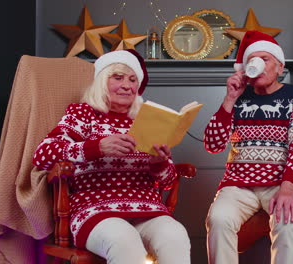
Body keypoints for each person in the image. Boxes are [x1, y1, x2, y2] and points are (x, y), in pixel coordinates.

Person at [33, 49, 191, 264]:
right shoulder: (83, 114)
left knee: (176, 235)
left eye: (133, 79)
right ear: (101, 81)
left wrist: (159, 164)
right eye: (118, 78)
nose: (127, 85)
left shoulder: (148, 119)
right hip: (95, 209)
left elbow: (168, 181)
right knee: (124, 239)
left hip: (147, 209)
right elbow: (43, 154)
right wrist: (95, 148)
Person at [203, 30, 293, 264]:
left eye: (266, 59)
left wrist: (288, 187)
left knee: (289, 220)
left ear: (280, 68)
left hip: (280, 181)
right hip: (238, 184)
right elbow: (213, 144)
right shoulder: (238, 99)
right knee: (219, 219)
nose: (259, 64)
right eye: (254, 59)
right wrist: (230, 99)